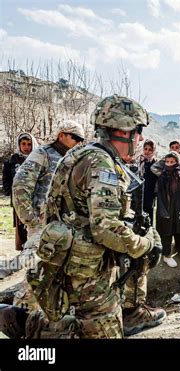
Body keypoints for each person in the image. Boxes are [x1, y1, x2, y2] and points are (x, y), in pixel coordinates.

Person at [1, 96, 167, 338]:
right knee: (101, 333)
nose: (139, 138)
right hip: (87, 266)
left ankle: (23, 320)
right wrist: (145, 245)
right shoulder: (102, 164)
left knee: (85, 322)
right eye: (138, 131)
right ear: (123, 131)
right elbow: (105, 228)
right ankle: (30, 324)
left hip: (70, 256)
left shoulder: (83, 153)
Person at [0, 122, 84, 281]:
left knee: (49, 269)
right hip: (41, 221)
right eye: (76, 138)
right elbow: (20, 185)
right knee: (30, 262)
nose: (79, 142)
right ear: (62, 136)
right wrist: (29, 217)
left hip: (61, 224)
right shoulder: (43, 153)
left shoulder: (70, 158)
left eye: (81, 139)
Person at [156, 151, 180, 267]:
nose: (169, 164)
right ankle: (166, 255)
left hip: (179, 208)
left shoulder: (179, 177)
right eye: (167, 162)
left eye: (172, 162)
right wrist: (164, 212)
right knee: (167, 232)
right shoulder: (162, 177)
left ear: (177, 163)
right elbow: (160, 196)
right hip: (167, 209)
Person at [2, 133, 38, 252]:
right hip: (19, 199)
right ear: (19, 145)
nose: (26, 147)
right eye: (23, 144)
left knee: (35, 224)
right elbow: (6, 178)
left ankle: (34, 249)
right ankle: (23, 249)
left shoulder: (38, 159)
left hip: (35, 198)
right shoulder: (12, 161)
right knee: (21, 224)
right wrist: (10, 192)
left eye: (29, 144)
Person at [137, 139, 158, 224]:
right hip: (138, 193)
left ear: (153, 151)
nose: (147, 151)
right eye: (145, 149)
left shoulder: (155, 163)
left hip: (149, 194)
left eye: (150, 149)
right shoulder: (138, 161)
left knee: (148, 215)